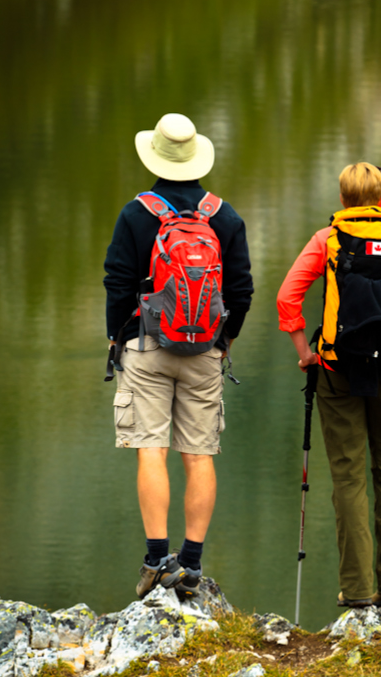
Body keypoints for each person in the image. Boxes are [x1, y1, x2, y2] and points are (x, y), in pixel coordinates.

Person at [104, 112, 254, 599]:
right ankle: (191, 563)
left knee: (152, 449)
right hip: (205, 350)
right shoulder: (225, 217)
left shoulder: (136, 213)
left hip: (146, 345)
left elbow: (118, 282)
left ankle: (154, 560)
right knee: (199, 454)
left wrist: (116, 337)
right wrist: (224, 339)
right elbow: (242, 289)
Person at [277, 162, 381, 612]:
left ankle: (358, 590)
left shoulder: (327, 239)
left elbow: (288, 296)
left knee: (347, 478)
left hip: (336, 369)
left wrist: (303, 351)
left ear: (343, 198)